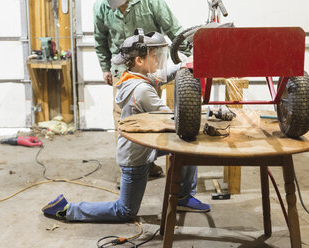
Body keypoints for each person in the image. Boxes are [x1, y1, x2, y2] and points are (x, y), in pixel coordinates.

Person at [42, 30, 210, 221]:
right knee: (125, 211)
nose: (157, 61)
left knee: (185, 150)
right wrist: (206, 116)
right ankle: (67, 209)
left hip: (146, 146)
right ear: (139, 60)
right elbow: (173, 119)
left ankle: (183, 197)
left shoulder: (134, 76)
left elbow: (164, 75)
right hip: (135, 157)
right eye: (154, 57)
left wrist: (186, 64)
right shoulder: (142, 90)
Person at [93, 0, 190, 176]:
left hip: (150, 66)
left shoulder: (151, 2)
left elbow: (175, 31)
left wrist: (188, 58)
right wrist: (105, 67)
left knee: (151, 117)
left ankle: (147, 163)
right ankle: (129, 168)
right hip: (121, 68)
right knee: (123, 119)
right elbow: (100, 38)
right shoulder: (101, 6)